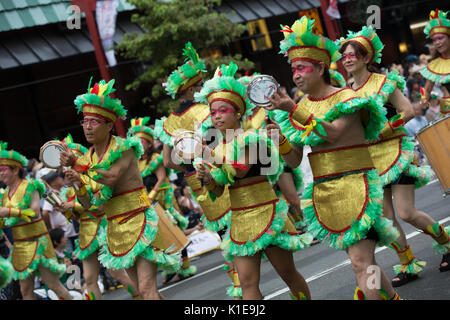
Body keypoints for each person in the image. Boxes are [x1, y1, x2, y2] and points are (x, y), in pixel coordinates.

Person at [266, 17, 400, 300]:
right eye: (294, 70)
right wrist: (279, 139)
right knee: (365, 262)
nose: (296, 75)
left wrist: (293, 110)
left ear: (321, 68)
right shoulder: (300, 106)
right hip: (325, 193)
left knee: (359, 262)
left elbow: (333, 134)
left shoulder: (347, 97)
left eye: (302, 68)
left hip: (358, 186)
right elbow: (293, 161)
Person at [339, 25, 449, 283]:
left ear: (366, 57)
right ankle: (408, 263)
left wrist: (384, 131)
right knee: (387, 220)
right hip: (369, 161)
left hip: (396, 153)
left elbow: (408, 111)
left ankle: (446, 242)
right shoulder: (345, 92)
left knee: (406, 212)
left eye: (352, 54)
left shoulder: (384, 82)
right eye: (344, 56)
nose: (347, 59)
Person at [195, 61, 313, 300]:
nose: (216, 116)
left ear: (238, 112)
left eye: (222, 110)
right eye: (213, 111)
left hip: (266, 214)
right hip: (239, 219)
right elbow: (219, 190)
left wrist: (207, 153)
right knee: (247, 283)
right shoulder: (219, 145)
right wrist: (208, 179)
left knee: (287, 273)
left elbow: (239, 170)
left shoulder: (250, 138)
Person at [59, 78, 181, 300]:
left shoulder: (124, 147)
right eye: (85, 121)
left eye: (94, 121)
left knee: (146, 289)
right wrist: (77, 183)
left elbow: (111, 178)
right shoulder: (88, 157)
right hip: (115, 228)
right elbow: (90, 204)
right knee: (144, 293)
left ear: (109, 125)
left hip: (141, 221)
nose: (87, 126)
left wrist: (77, 166)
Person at [55, 134, 141, 300]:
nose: (66, 168)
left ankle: (141, 296)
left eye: (69, 161)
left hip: (102, 226)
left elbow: (97, 205)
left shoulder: (92, 176)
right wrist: (64, 209)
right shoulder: (68, 189)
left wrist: (72, 205)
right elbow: (76, 215)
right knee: (89, 278)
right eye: (64, 164)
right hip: (86, 232)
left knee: (117, 274)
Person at [128, 117, 197, 284]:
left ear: (149, 143)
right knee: (160, 236)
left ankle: (185, 267)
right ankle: (171, 268)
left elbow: (161, 179)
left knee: (174, 230)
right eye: (137, 141)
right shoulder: (136, 162)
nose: (140, 144)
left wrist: (151, 195)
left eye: (142, 141)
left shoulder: (156, 158)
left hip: (162, 199)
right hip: (147, 202)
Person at [0, 141, 72, 300]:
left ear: (16, 170)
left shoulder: (29, 185)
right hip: (20, 246)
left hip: (38, 243)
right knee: (25, 291)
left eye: (3, 170)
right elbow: (6, 221)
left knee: (54, 285)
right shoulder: (4, 194)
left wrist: (9, 211)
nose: (0, 174)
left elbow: (34, 212)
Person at [420, 9, 450, 117]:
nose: (437, 43)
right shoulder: (434, 65)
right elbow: (427, 89)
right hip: (448, 109)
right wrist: (423, 99)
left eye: (440, 38)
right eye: (434, 40)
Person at [41, 170, 78, 253]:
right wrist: (51, 228)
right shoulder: (51, 196)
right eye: (57, 178)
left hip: (74, 230)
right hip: (64, 235)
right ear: (53, 183)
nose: (60, 179)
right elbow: (45, 213)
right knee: (69, 257)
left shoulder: (66, 191)